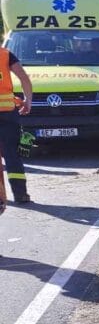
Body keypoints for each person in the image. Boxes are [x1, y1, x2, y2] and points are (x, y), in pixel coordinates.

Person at [0, 43, 34, 204]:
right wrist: (28, 101)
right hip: (7, 112)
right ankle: (20, 194)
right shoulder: (5, 54)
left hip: (8, 112)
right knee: (12, 154)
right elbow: (24, 78)